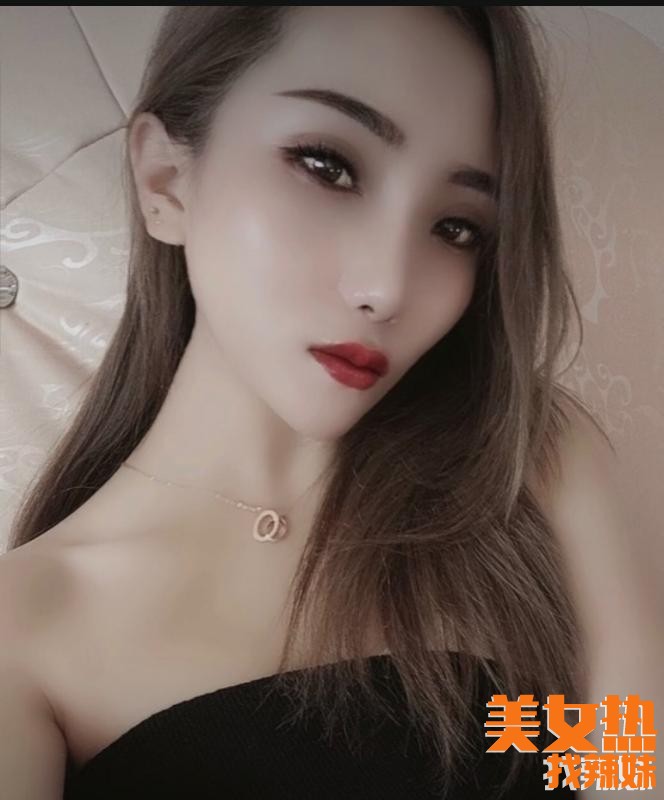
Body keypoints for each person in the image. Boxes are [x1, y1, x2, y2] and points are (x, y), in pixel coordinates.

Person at [0, 6, 658, 799]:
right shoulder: (24, 629)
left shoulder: (523, 457)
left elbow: (631, 766)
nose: (388, 287)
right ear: (165, 180)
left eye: (457, 227)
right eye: (328, 166)